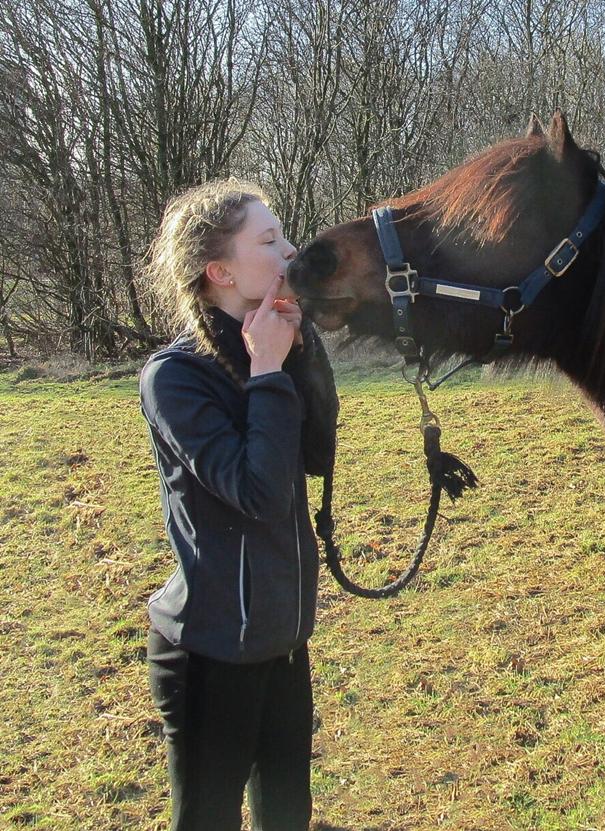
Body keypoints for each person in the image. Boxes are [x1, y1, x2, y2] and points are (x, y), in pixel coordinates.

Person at [138, 178, 338, 830]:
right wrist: (270, 372)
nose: (289, 250)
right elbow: (258, 492)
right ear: (220, 270)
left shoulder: (270, 345)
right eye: (269, 239)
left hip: (281, 641)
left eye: (284, 233)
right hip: (209, 653)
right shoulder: (175, 377)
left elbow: (315, 455)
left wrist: (299, 355)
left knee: (287, 817)